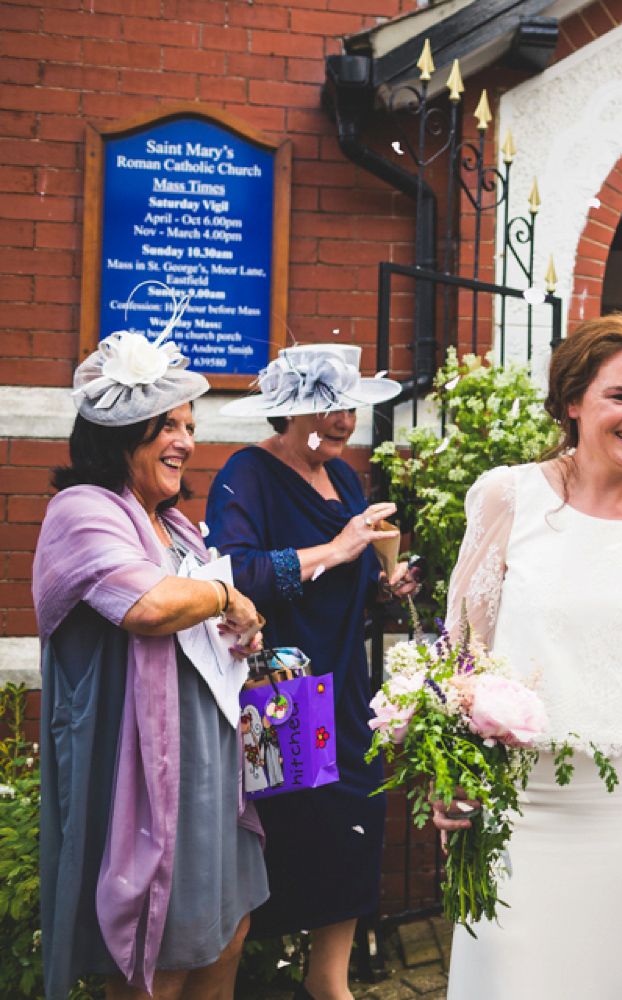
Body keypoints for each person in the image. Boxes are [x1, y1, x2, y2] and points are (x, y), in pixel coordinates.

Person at [436, 314, 622, 998]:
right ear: (572, 401)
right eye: (621, 396)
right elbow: (462, 652)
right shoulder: (509, 496)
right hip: (521, 797)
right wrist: (454, 776)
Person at [35, 331, 266, 1000]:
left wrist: (240, 630)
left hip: (211, 767)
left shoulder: (178, 526)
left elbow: (198, 621)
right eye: (168, 424)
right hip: (142, 777)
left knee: (226, 937)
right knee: (155, 958)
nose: (187, 441)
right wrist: (225, 595)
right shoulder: (80, 511)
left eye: (190, 426)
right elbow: (149, 605)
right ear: (121, 434)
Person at [207, 345, 412, 1000]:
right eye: (330, 406)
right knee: (278, 847)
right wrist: (339, 546)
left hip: (347, 690)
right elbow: (235, 576)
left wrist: (384, 582)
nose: (346, 420)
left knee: (352, 836)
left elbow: (345, 578)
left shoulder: (346, 478)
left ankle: (330, 984)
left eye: (351, 405)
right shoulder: (248, 474)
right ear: (291, 410)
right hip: (282, 700)